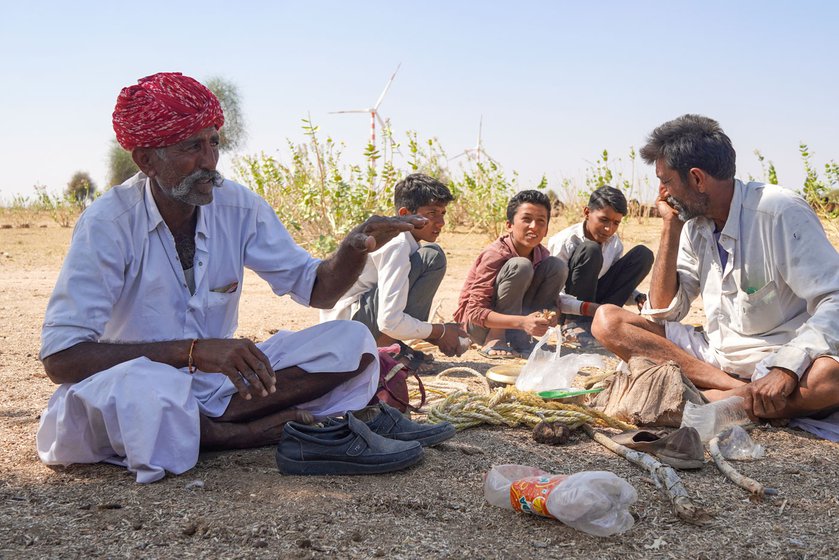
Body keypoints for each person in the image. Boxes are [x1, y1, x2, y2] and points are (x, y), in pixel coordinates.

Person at [35, 72, 443, 483]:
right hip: (134, 389)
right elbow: (61, 358)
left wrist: (354, 250)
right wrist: (193, 351)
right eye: (191, 147)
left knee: (353, 342)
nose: (209, 162)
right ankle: (245, 433)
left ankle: (212, 428)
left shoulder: (238, 206)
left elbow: (318, 289)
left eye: (213, 143)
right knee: (148, 391)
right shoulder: (109, 222)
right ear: (146, 160)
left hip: (220, 388)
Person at [592, 114, 839, 422]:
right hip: (715, 359)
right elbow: (665, 311)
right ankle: (737, 394)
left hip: (778, 356)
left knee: (830, 376)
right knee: (607, 321)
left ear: (697, 178)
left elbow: (834, 299)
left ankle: (721, 399)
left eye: (666, 181)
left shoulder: (779, 211)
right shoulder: (694, 225)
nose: (662, 193)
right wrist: (671, 226)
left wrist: (787, 366)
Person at [321, 173, 467, 361]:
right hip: (347, 334)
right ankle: (387, 350)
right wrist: (440, 331)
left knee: (425, 257)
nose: (441, 222)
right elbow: (389, 321)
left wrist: (437, 335)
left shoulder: (404, 241)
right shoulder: (397, 244)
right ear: (405, 214)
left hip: (349, 329)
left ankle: (390, 346)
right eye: (431, 214)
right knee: (432, 256)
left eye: (442, 213)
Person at [454, 190, 567, 358]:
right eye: (526, 219)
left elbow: (554, 302)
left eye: (540, 221)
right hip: (479, 327)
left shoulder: (542, 255)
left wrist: (551, 316)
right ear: (509, 225)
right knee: (520, 266)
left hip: (517, 326)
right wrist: (523, 322)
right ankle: (496, 337)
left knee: (557, 266)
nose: (533, 227)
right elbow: (475, 312)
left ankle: (521, 339)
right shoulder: (495, 253)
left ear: (546, 230)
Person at [547, 186, 653, 345]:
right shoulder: (565, 241)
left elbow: (616, 279)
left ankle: (605, 322)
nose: (608, 229)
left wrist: (637, 297)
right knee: (591, 249)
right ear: (587, 212)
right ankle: (574, 326)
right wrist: (585, 309)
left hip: (597, 306)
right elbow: (554, 294)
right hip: (569, 308)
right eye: (604, 220)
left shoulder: (614, 243)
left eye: (616, 223)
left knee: (643, 255)